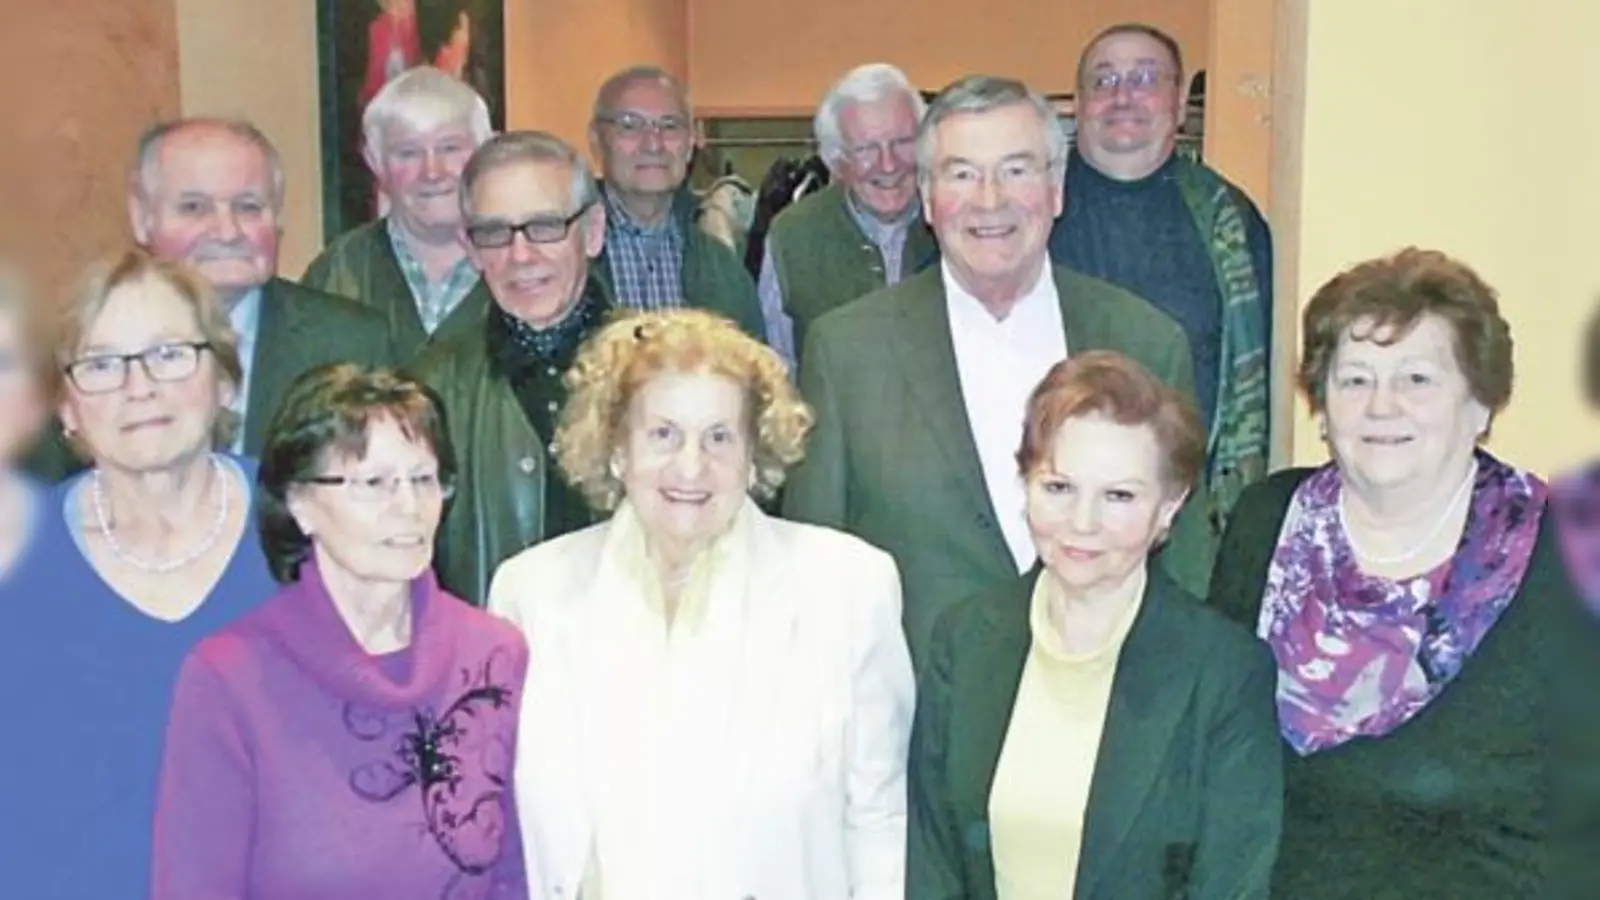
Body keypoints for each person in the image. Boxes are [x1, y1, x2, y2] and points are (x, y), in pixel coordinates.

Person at [783, 74, 1213, 669]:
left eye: (1016, 170)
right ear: (928, 199)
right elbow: (815, 568)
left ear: (1056, 189)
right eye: (962, 174)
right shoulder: (847, 350)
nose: (990, 199)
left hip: (1106, 710)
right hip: (915, 716)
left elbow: (1185, 563)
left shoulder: (1144, 340)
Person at [488, 308, 914, 899]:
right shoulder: (530, 595)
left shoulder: (848, 588)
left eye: (719, 437)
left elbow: (879, 821)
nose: (692, 465)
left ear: (754, 450)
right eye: (663, 434)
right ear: (617, 447)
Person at [1209, 248, 1572, 898]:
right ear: (1320, 407)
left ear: (1481, 405)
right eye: (1354, 380)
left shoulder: (1564, 553)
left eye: (1417, 380)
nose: (1382, 406)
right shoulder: (1265, 526)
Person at [907, 350, 1281, 900]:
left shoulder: (1223, 671)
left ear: (1169, 508)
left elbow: (1231, 884)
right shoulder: (964, 640)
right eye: (1058, 488)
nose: (1082, 523)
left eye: (1119, 496)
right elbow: (932, 859)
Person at [151, 363, 529, 898]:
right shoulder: (229, 676)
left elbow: (513, 873)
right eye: (374, 483)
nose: (408, 508)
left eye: (424, 479)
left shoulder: (494, 652)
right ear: (300, 504)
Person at [0, 249, 277, 897]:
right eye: (101, 364)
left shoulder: (312, 529)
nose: (138, 386)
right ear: (65, 408)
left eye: (169, 353)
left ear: (226, 378)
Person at [1050, 23, 1274, 532]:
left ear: (1177, 103)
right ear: (1079, 104)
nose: (1123, 95)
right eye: (1103, 81)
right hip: (1056, 505)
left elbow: (1263, 378)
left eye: (1146, 78)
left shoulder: (1230, 224)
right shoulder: (1027, 212)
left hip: (1187, 512)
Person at [408, 130, 613, 606]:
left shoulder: (663, 375)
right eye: (495, 233)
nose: (520, 255)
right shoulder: (427, 391)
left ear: (595, 231)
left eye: (544, 226)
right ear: (471, 247)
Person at [303, 66, 496, 358]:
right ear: (375, 162)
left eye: (450, 148)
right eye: (408, 153)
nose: (432, 172)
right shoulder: (337, 274)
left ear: (485, 152)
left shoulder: (524, 265)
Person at [758, 62, 935, 372]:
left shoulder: (960, 223)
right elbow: (777, 371)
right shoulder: (792, 236)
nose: (889, 165)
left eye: (903, 143)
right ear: (836, 160)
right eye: (867, 149)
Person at [587, 66, 766, 338]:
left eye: (670, 126)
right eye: (630, 125)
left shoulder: (721, 260)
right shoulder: (560, 251)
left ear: (692, 139)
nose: (653, 144)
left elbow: (752, 370)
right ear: (596, 138)